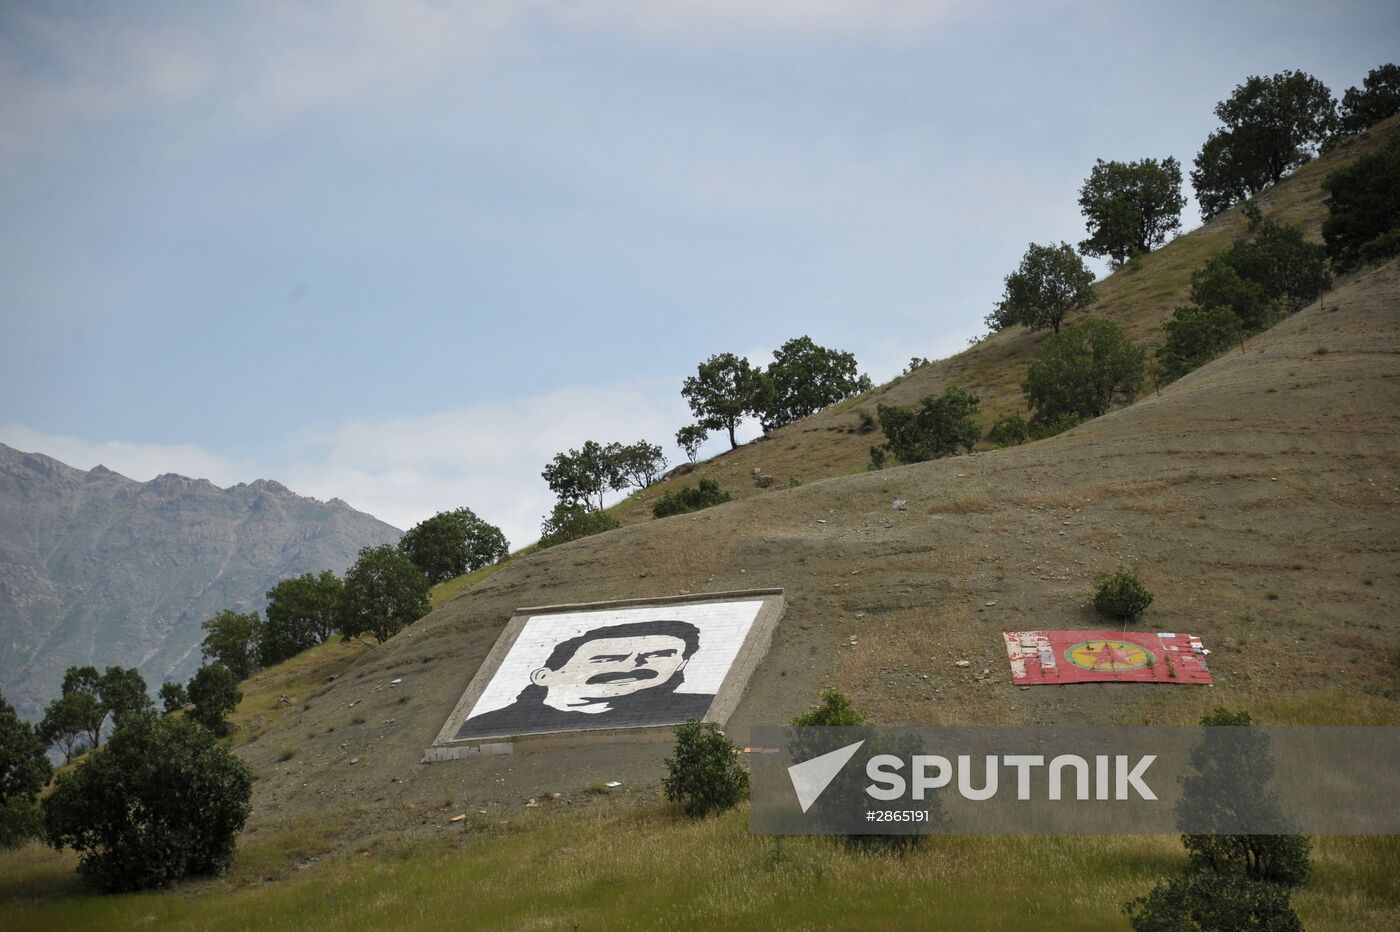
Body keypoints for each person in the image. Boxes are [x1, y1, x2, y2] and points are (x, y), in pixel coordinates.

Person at [454, 618, 713, 740]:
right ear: (545, 676)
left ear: (682, 663)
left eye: (659, 655)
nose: (633, 664)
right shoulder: (490, 724)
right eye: (604, 659)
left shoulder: (699, 709)